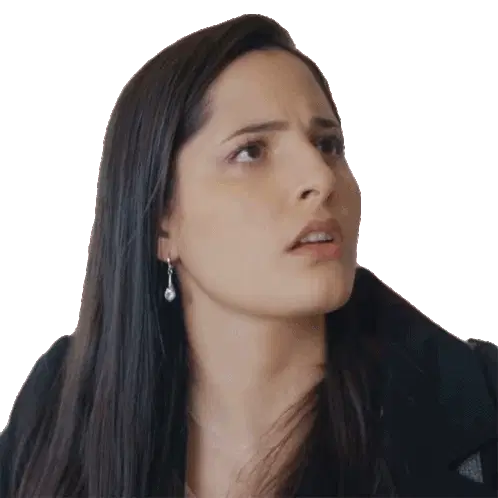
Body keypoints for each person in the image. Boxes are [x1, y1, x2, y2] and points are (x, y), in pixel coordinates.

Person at [0, 13, 496, 498]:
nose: (320, 178)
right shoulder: (57, 414)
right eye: (251, 152)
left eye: (327, 144)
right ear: (161, 221)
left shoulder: (479, 410)